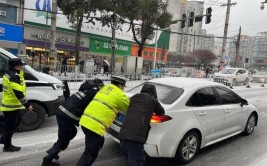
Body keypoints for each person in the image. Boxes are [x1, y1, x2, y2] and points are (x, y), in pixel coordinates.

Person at [42, 79, 104, 166]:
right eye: (101, 86)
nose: (102, 89)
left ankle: (54, 151)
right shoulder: (94, 92)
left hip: (62, 112)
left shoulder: (85, 90)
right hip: (67, 116)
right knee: (64, 139)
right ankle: (47, 160)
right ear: (97, 86)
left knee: (71, 133)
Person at [77, 76, 130, 166]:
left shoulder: (104, 88)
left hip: (85, 121)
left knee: (98, 143)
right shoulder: (119, 94)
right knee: (90, 154)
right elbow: (129, 108)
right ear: (120, 85)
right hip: (95, 126)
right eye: (123, 86)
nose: (123, 89)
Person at [118, 84, 165, 166]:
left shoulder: (134, 97)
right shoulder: (152, 100)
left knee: (129, 159)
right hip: (135, 139)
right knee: (137, 161)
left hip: (123, 136)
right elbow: (161, 112)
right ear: (154, 92)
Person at [0, 58, 33, 152]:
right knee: (10, 127)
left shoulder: (14, 73)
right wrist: (27, 105)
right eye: (21, 65)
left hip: (13, 104)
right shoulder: (13, 76)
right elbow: (18, 93)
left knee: (16, 122)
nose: (23, 67)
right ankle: (7, 146)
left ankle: (4, 139)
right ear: (16, 67)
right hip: (11, 106)